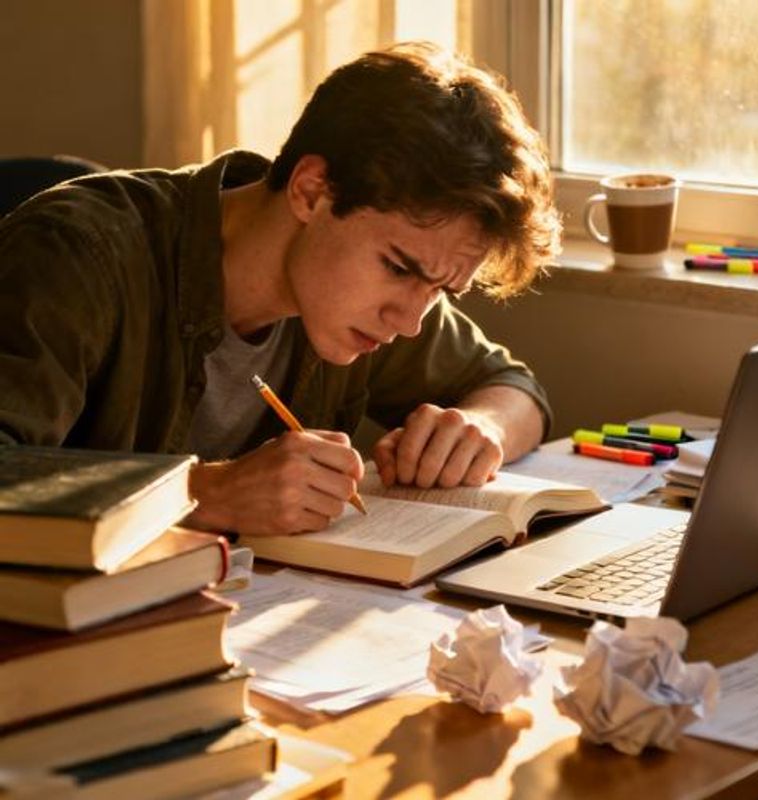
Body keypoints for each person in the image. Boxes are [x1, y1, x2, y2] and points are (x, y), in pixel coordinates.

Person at [0, 42, 561, 536]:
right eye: (398, 268)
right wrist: (201, 493)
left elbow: (511, 387)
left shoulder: (374, 296)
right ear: (312, 191)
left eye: (442, 290)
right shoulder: (77, 252)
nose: (411, 320)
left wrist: (481, 428)